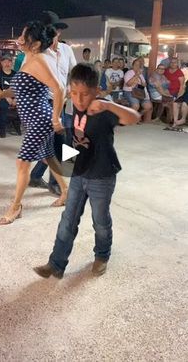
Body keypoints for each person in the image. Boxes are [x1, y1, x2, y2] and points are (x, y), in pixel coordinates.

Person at [33, 64, 140, 279]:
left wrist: (108, 106)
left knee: (100, 220)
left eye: (85, 94)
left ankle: (102, 255)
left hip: (102, 175)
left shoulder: (102, 109)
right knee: (68, 219)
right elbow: (72, 138)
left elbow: (133, 118)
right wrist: (62, 156)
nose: (79, 99)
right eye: (74, 93)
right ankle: (56, 263)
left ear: (96, 91)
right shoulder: (71, 107)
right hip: (78, 174)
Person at [0, 21, 68, 224]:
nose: (19, 39)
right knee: (48, 155)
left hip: (40, 119)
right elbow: (21, 88)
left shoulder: (39, 60)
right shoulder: (27, 59)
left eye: (24, 36)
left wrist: (56, 117)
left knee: (22, 162)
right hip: (32, 119)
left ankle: (16, 207)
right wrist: (1, 94)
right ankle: (66, 192)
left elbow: (59, 89)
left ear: (36, 44)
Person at [29, 11, 77, 196]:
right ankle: (55, 183)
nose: (57, 33)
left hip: (62, 103)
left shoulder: (66, 50)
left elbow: (74, 71)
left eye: (57, 29)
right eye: (53, 29)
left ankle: (36, 176)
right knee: (57, 143)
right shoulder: (36, 53)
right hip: (42, 104)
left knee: (58, 142)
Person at [0, 53, 18, 138]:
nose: (7, 63)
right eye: (5, 61)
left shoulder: (16, 74)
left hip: (15, 97)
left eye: (9, 61)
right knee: (3, 106)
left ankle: (17, 126)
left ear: (12, 62)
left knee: (24, 105)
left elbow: (19, 88)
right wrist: (6, 97)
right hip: (1, 97)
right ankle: (2, 130)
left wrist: (16, 99)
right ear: (1, 63)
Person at [123, 58, 152, 123]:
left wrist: (140, 78)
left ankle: (137, 116)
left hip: (140, 92)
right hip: (129, 91)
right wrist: (136, 75)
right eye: (136, 65)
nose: (137, 66)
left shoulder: (141, 74)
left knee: (148, 106)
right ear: (132, 66)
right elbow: (128, 84)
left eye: (139, 65)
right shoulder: (128, 73)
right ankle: (127, 119)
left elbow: (144, 85)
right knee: (136, 105)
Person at [164, 57, 185, 126]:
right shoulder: (166, 71)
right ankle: (170, 119)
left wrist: (178, 96)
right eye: (171, 62)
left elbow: (182, 86)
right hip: (165, 91)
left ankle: (173, 120)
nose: (173, 64)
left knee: (174, 103)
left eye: (174, 62)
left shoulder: (180, 73)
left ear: (177, 64)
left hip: (175, 92)